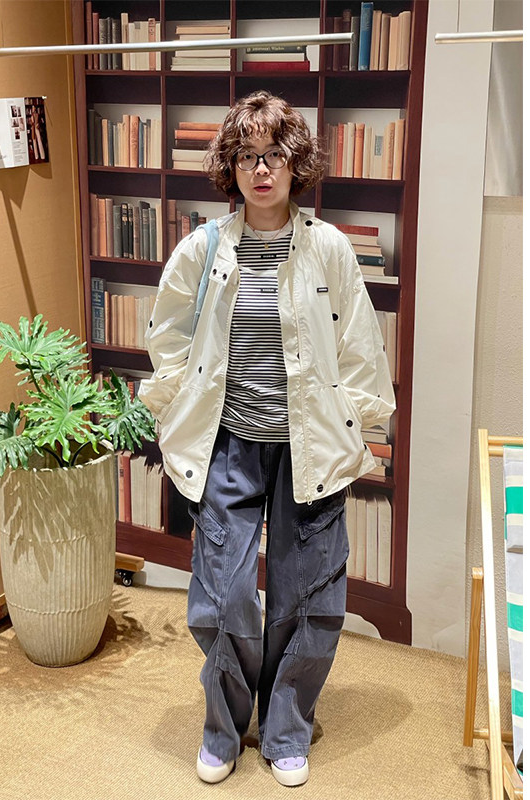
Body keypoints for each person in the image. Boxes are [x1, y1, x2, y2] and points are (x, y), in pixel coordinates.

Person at [138, 90, 395, 787]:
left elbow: (360, 347)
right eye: (247, 155)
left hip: (308, 446)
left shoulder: (329, 248)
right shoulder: (203, 249)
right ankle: (224, 728)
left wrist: (357, 425)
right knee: (221, 594)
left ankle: (285, 729)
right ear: (231, 166)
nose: (261, 169)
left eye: (274, 155)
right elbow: (167, 337)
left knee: (308, 595)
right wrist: (178, 406)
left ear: (294, 164)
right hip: (229, 444)